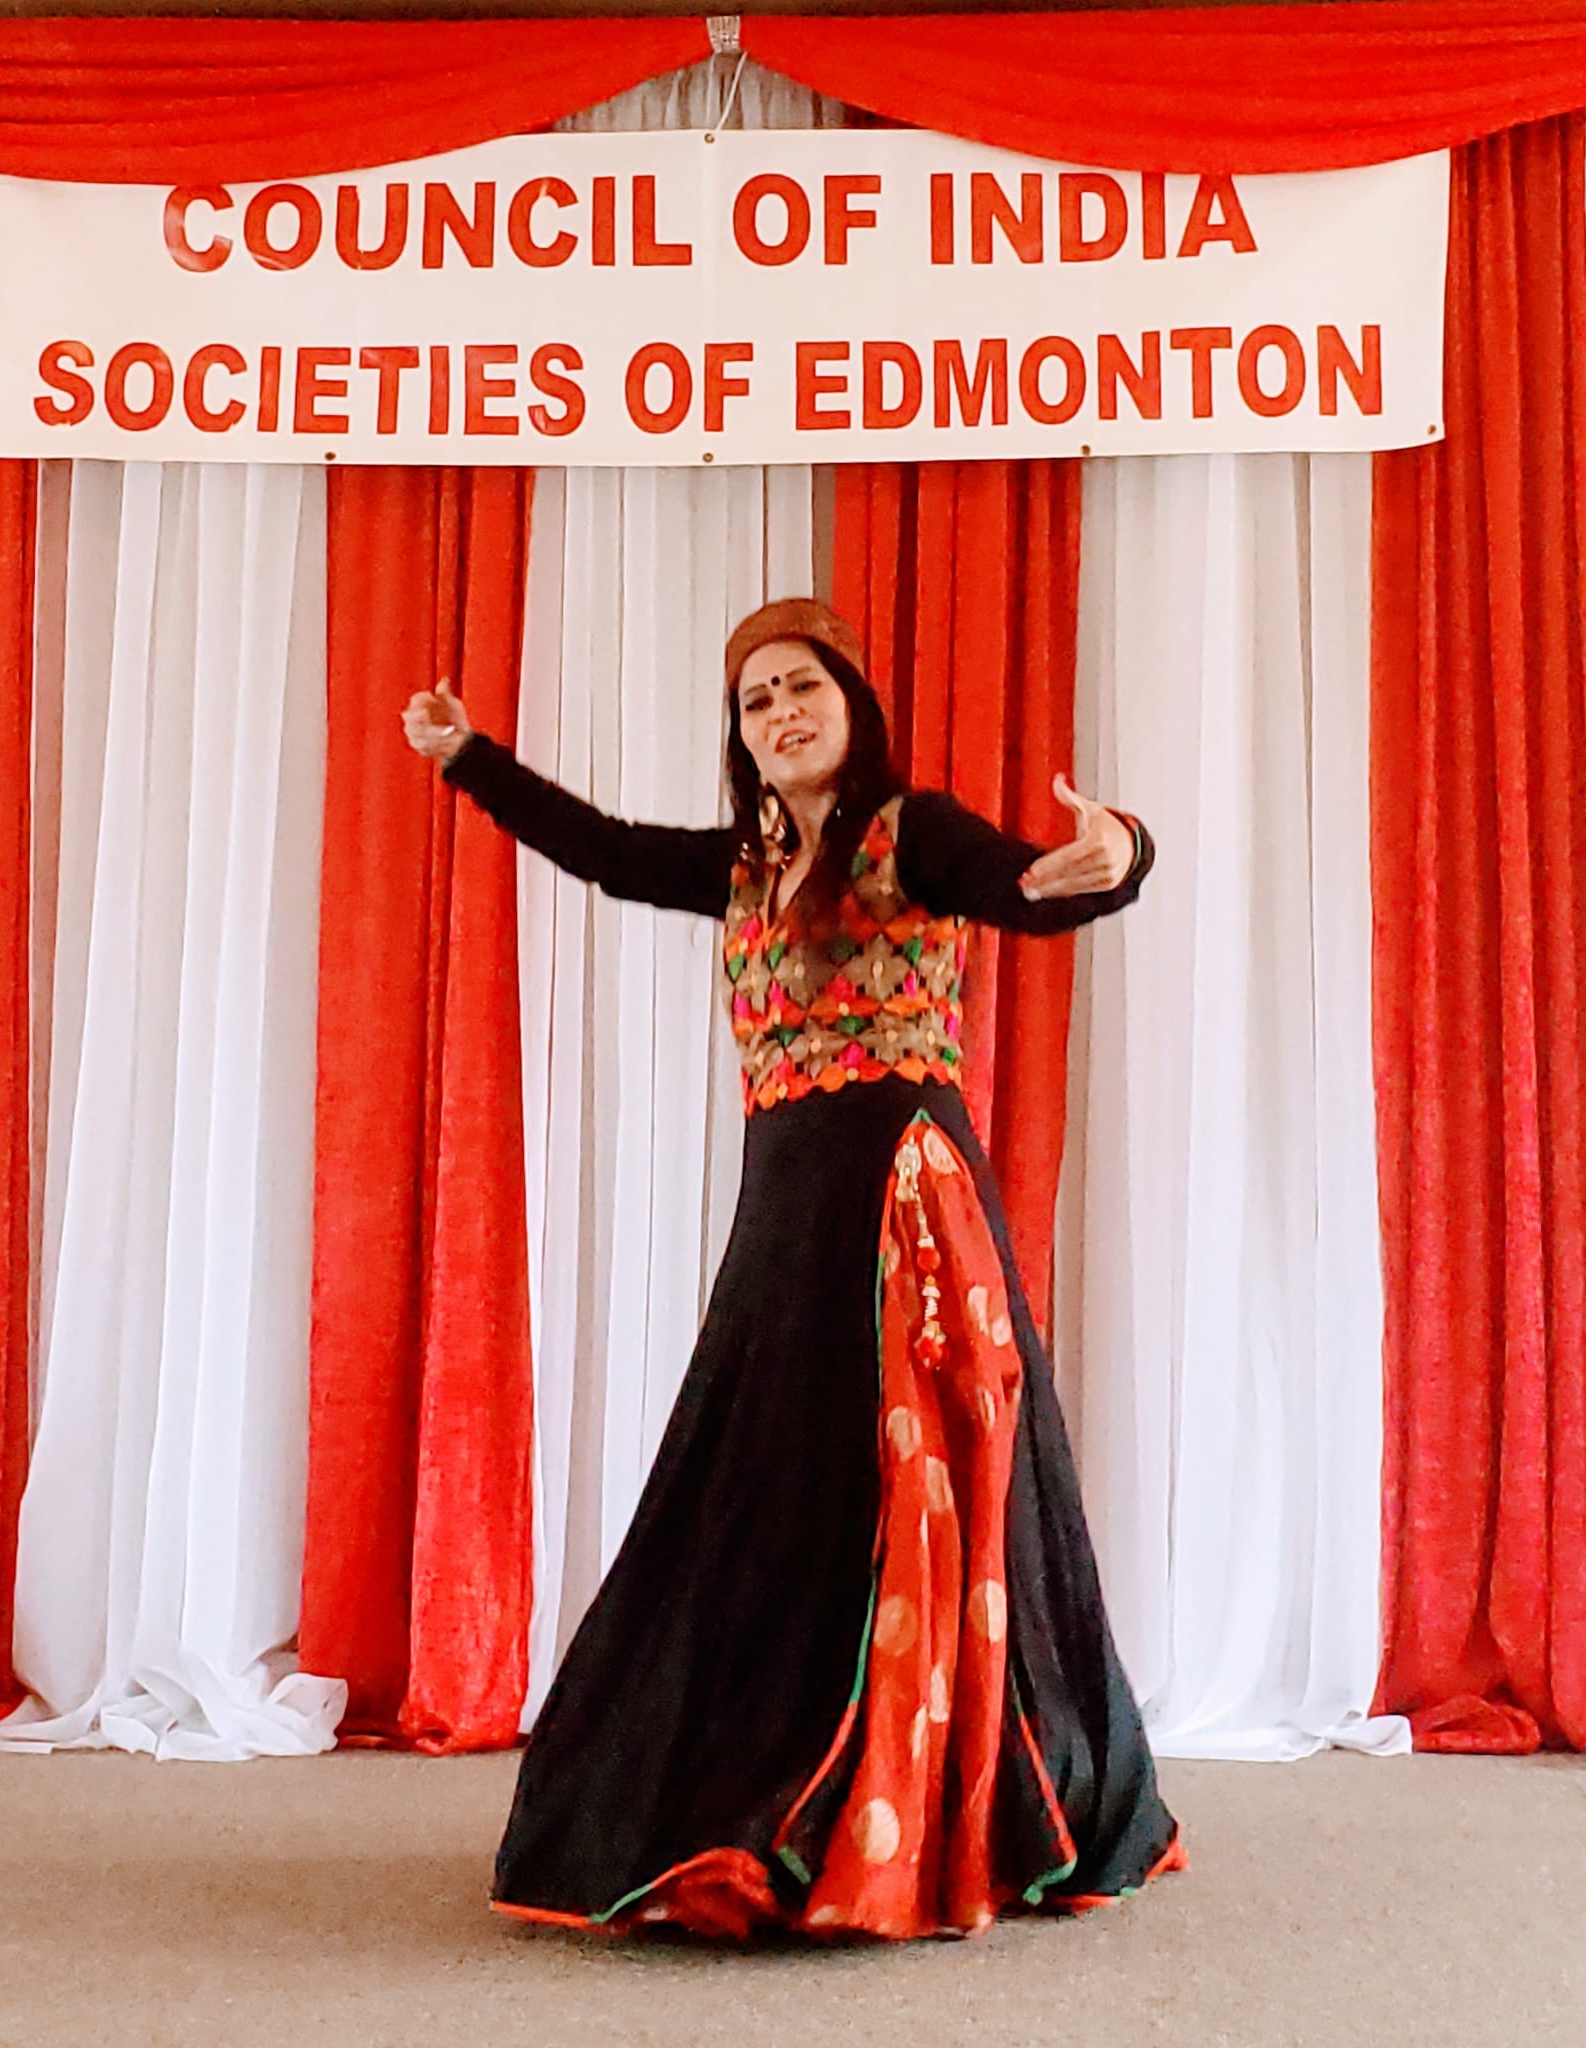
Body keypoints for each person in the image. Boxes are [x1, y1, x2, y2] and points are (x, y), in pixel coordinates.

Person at [402, 596, 1181, 1942]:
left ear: (852, 704)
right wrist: (472, 759)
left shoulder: (911, 834)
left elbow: (1025, 886)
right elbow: (604, 849)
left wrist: (1118, 856)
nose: (781, 713)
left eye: (802, 686)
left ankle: (924, 1807)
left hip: (901, 1214)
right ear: (742, 737)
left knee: (907, 1490)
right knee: (771, 1490)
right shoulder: (746, 868)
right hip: (785, 1219)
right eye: (756, 700)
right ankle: (768, 1794)